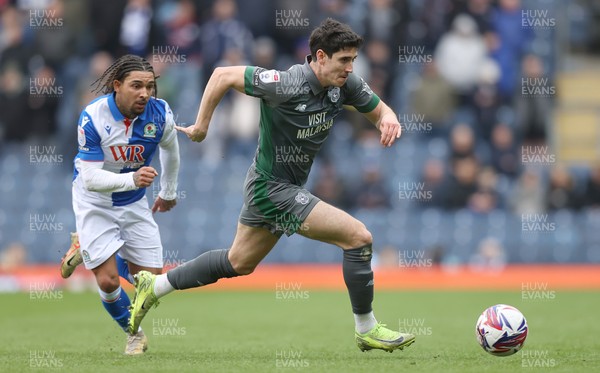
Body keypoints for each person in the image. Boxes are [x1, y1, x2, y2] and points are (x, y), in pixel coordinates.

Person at [128, 18, 415, 353]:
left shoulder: (343, 84)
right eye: (345, 60)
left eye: (353, 60)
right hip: (273, 189)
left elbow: (380, 112)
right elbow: (222, 75)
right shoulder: (285, 82)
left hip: (274, 186)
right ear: (320, 57)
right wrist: (203, 126)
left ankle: (156, 285)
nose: (351, 67)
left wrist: (388, 118)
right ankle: (366, 328)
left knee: (239, 262)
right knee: (358, 237)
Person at [66, 54, 180, 355]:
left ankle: (87, 248)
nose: (145, 93)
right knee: (107, 281)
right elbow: (89, 177)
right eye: (136, 86)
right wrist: (133, 180)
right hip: (95, 201)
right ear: (117, 85)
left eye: (150, 86)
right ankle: (134, 335)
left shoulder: (160, 113)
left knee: (151, 286)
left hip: (134, 202)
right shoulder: (93, 116)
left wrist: (168, 191)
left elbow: (171, 149)